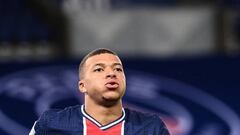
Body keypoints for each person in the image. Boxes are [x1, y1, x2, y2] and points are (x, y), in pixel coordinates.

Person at [29, 48, 170, 135]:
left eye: (118, 69)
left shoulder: (151, 127)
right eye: (99, 69)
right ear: (82, 86)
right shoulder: (53, 123)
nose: (112, 74)